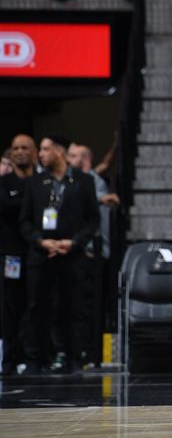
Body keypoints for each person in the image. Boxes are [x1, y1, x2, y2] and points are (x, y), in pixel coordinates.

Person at [19, 135, 99, 374]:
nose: (40, 154)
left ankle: (75, 358)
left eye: (45, 149)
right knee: (37, 307)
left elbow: (93, 219)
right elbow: (24, 221)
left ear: (58, 152)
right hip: (41, 254)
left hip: (71, 254)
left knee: (74, 307)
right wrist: (41, 241)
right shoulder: (36, 182)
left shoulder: (83, 181)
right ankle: (37, 359)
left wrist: (73, 242)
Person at [0, 135, 37, 374]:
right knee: (10, 305)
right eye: (15, 148)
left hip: (37, 252)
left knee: (34, 305)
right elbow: (9, 209)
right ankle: (10, 359)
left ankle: (32, 357)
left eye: (25, 147)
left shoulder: (40, 182)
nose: (20, 152)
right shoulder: (4, 183)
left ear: (33, 151)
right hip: (11, 254)